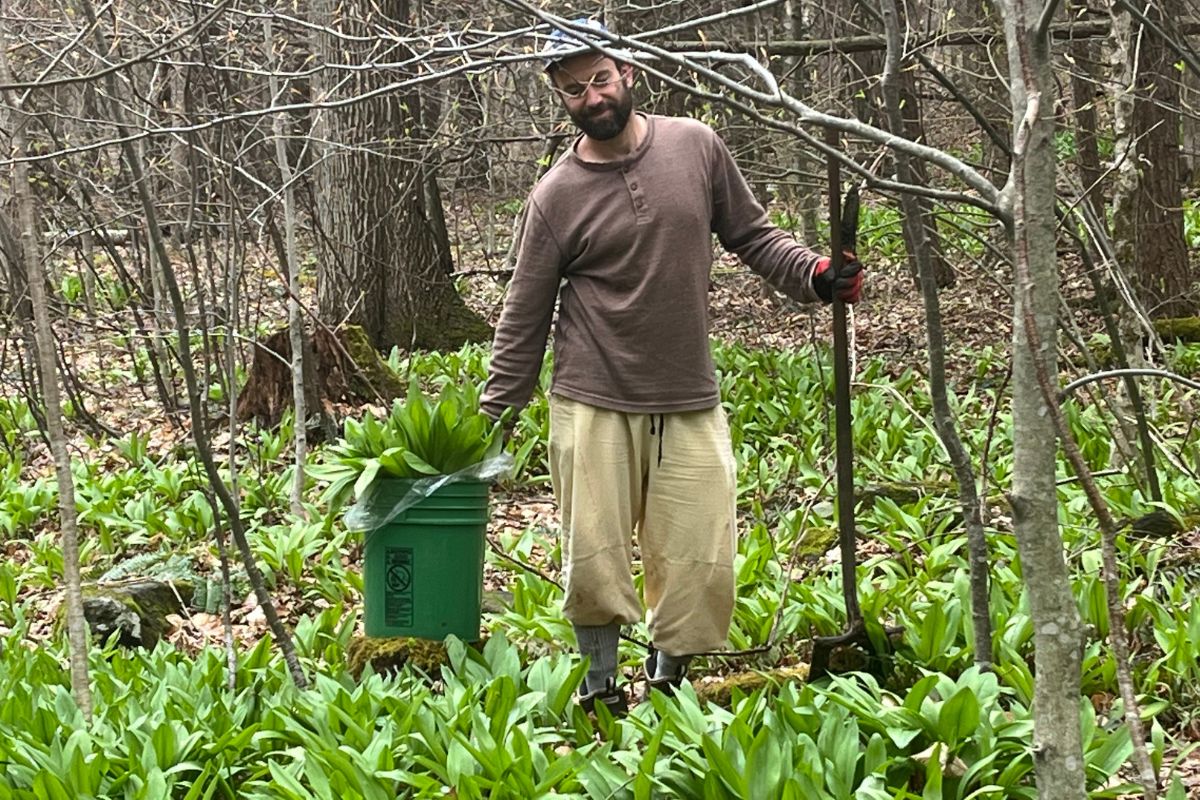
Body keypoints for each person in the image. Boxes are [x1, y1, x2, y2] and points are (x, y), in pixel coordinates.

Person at [481, 18, 863, 715]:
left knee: (697, 557)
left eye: (599, 78)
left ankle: (667, 684)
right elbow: (524, 315)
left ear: (626, 71)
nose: (591, 96)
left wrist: (815, 276)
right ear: (560, 100)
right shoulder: (554, 196)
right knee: (594, 560)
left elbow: (752, 234)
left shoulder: (695, 145)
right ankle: (600, 692)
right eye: (573, 89)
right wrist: (488, 423)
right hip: (592, 395)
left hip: (688, 390)